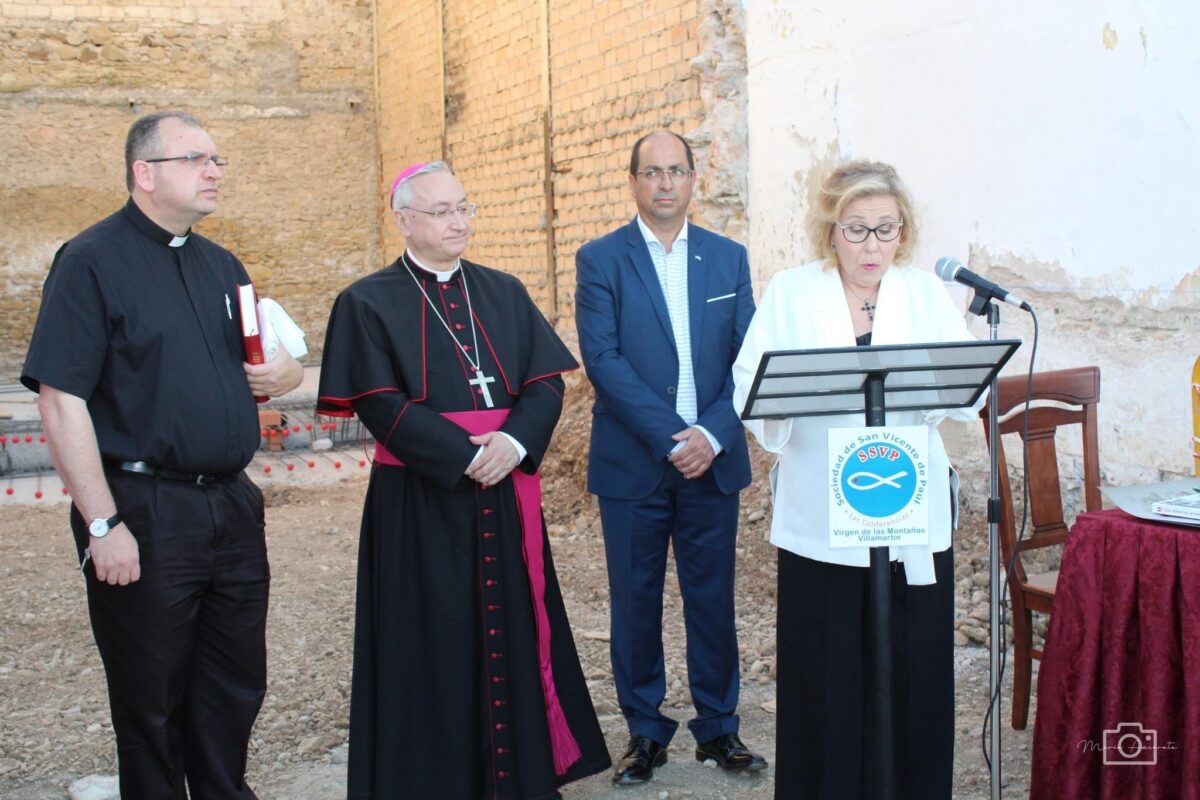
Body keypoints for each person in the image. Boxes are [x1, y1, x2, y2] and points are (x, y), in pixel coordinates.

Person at [21, 111, 304, 798]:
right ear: (145, 173)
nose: (215, 172)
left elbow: (280, 363)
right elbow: (62, 401)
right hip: (142, 511)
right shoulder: (90, 262)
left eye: (218, 161)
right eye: (196, 159)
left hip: (231, 508)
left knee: (233, 684)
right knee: (151, 701)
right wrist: (101, 523)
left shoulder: (223, 265)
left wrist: (286, 376)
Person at [316, 161, 610, 799]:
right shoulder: (366, 301)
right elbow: (376, 401)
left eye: (465, 208)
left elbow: (544, 381)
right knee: (430, 639)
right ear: (404, 220)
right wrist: (462, 455)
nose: (459, 222)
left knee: (515, 630)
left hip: (506, 493)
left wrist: (513, 441)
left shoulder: (502, 291)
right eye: (443, 211)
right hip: (419, 501)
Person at [732, 160, 982, 799]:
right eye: (856, 230)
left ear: (904, 231)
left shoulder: (924, 293)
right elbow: (749, 384)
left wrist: (942, 393)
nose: (872, 246)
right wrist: (783, 404)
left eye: (886, 230)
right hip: (824, 513)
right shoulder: (792, 292)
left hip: (907, 504)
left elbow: (960, 390)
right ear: (830, 231)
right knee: (829, 670)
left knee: (912, 667)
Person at [575, 131, 763, 785]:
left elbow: (749, 359)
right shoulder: (600, 259)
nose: (663, 183)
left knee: (712, 597)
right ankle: (645, 732)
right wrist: (671, 438)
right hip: (635, 463)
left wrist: (710, 435)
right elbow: (603, 360)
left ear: (692, 179)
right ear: (632, 181)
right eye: (650, 172)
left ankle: (719, 728)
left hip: (712, 460)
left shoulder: (727, 259)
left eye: (675, 171)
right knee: (636, 599)